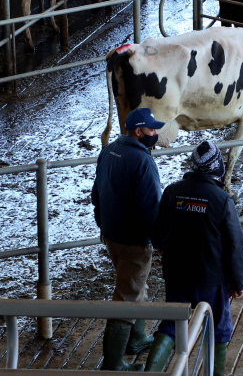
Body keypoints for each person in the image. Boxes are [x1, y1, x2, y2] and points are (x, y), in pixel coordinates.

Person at [145, 141, 243, 376]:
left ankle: (151, 372)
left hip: (177, 273)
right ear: (216, 167)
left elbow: (159, 234)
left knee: (171, 323)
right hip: (211, 277)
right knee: (218, 326)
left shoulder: (172, 191)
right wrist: (237, 282)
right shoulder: (222, 200)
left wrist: (165, 250)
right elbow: (235, 245)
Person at [91, 107, 166, 371]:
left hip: (112, 235)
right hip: (134, 240)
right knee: (126, 296)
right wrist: (159, 240)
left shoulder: (107, 151)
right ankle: (113, 364)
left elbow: (96, 193)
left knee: (135, 286)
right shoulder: (142, 161)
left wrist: (102, 224)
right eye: (152, 129)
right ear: (138, 131)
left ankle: (136, 338)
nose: (155, 133)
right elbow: (151, 206)